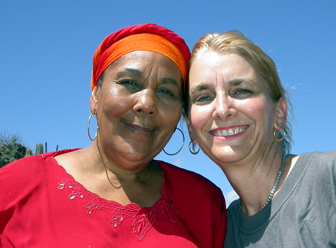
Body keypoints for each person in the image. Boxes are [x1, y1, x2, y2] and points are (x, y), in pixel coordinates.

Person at [0, 24, 226, 247]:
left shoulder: (204, 203)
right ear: (95, 95)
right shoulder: (14, 187)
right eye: (129, 83)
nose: (147, 104)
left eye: (166, 91)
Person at [184, 30, 336, 247]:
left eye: (241, 90)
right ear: (191, 128)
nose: (222, 109)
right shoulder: (221, 232)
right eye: (204, 97)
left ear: (279, 113)